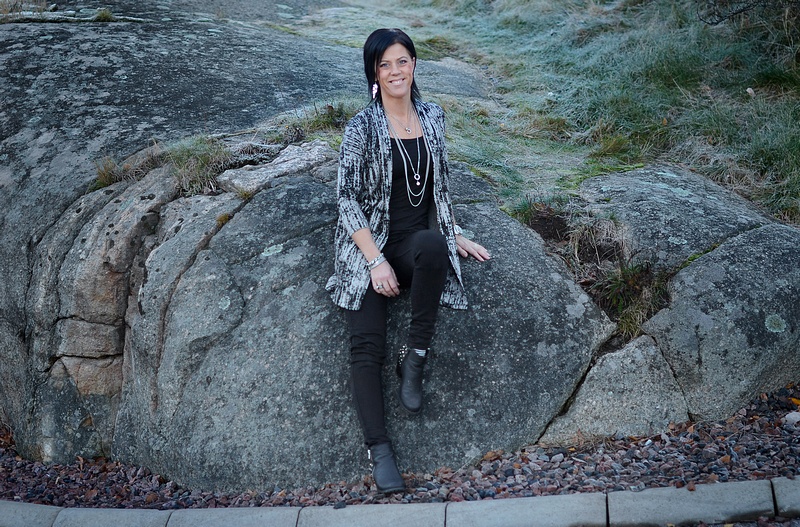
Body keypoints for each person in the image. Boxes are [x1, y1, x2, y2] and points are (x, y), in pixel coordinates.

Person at [326, 28, 491, 494]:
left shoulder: (434, 117)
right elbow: (346, 199)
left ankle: (415, 357)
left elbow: (439, 186)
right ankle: (380, 451)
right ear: (374, 74)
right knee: (366, 347)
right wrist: (374, 261)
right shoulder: (361, 127)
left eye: (402, 61)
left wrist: (454, 232)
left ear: (414, 64)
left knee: (434, 247)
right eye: (385, 65)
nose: (395, 71)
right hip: (369, 246)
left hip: (413, 243)